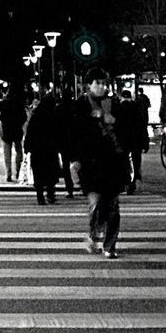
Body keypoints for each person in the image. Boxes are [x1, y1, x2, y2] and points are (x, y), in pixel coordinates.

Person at [69, 67, 130, 258]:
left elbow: (124, 129)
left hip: (112, 162)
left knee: (113, 206)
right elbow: (74, 133)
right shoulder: (80, 105)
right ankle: (94, 236)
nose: (102, 87)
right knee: (95, 204)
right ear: (89, 85)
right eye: (98, 83)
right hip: (91, 163)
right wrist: (75, 159)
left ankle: (110, 245)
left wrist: (115, 122)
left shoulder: (114, 104)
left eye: (104, 83)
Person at [23, 88, 62, 204]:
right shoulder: (54, 115)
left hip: (37, 149)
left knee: (38, 173)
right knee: (51, 173)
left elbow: (30, 132)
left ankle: (40, 196)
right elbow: (58, 132)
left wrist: (27, 147)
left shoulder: (36, 115)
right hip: (50, 149)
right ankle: (50, 194)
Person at [114, 88, 150, 194]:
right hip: (136, 140)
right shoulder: (136, 108)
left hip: (123, 140)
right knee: (136, 161)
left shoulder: (118, 108)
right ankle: (133, 182)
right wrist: (145, 141)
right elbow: (142, 125)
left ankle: (126, 182)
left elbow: (116, 125)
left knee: (124, 161)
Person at [0, 84, 27, 182]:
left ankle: (8, 173)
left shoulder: (3, 102)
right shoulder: (19, 103)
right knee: (19, 152)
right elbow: (24, 117)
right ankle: (18, 171)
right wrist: (19, 122)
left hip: (6, 130)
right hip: (17, 130)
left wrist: (2, 119)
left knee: (7, 153)